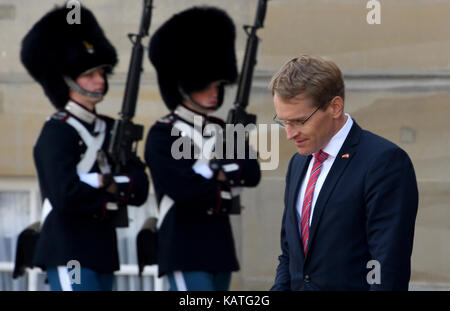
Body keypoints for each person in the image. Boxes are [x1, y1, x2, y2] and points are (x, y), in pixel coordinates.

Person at [20, 5, 149, 291]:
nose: (100, 80)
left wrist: (105, 183)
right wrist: (112, 188)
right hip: (67, 249)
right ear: (68, 80)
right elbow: (64, 194)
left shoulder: (112, 128)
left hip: (103, 248)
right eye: (89, 75)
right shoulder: (57, 130)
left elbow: (139, 187)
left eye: (101, 73)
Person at [270, 55, 418, 291]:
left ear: (335, 107)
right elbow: (290, 255)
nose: (290, 134)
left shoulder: (384, 162)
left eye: (299, 121)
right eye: (284, 122)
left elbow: (387, 267)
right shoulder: (298, 163)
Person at [144, 6, 261, 291]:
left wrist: (216, 174)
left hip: (219, 249)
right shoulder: (163, 134)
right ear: (183, 86)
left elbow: (252, 171)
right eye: (203, 85)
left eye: (217, 84)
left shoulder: (223, 128)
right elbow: (185, 189)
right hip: (183, 248)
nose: (213, 93)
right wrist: (226, 176)